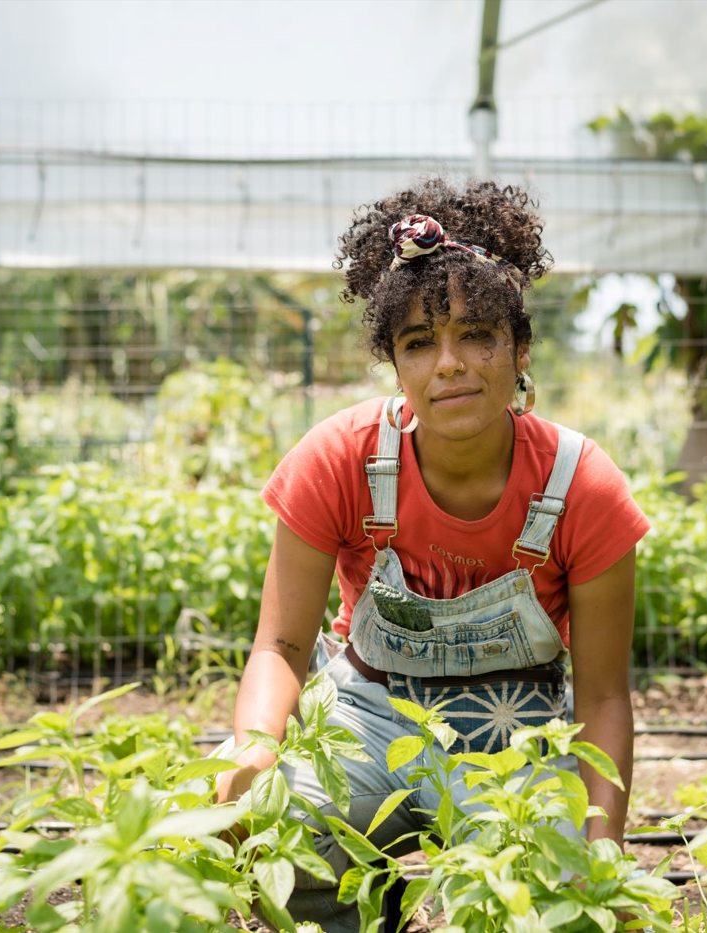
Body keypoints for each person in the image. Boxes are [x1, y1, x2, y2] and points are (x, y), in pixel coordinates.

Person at [213, 177, 650, 931]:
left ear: (518, 349)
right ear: (395, 361)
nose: (449, 363)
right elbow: (282, 644)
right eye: (420, 342)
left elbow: (605, 694)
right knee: (287, 840)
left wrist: (601, 846)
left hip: (512, 735)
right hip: (366, 712)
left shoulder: (582, 486)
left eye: (477, 333)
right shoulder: (341, 459)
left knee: (543, 894)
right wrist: (253, 754)